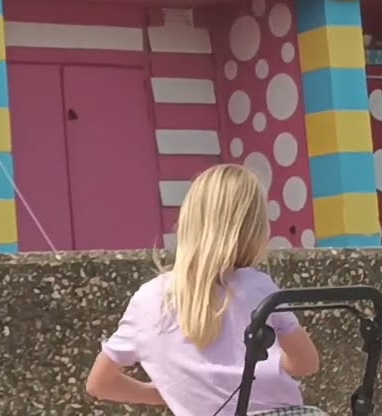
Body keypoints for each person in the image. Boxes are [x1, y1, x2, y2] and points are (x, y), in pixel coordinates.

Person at [85, 164, 321, 415]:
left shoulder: (149, 298)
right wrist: (272, 364)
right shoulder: (259, 288)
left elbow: (99, 383)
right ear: (255, 230)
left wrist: (166, 392)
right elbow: (306, 364)